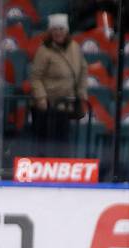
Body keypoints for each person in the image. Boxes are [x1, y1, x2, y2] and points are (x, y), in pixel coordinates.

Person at [29, 13, 88, 156]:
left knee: (63, 142)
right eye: (55, 29)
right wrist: (41, 97)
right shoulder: (44, 50)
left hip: (67, 104)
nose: (58, 32)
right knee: (45, 144)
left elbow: (83, 70)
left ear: (66, 30)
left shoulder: (75, 47)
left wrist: (81, 95)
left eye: (61, 29)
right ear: (50, 32)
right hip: (48, 106)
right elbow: (35, 77)